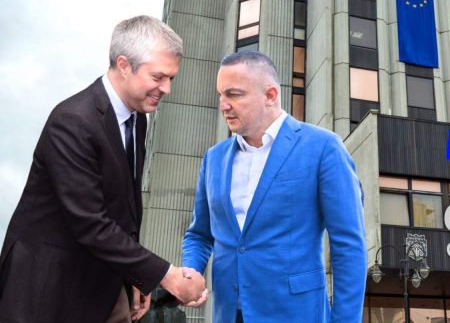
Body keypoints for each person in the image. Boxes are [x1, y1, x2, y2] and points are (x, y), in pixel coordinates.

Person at [0, 16, 207, 323]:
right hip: (48, 292)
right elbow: (91, 224)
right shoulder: (73, 122)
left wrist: (134, 276)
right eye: (158, 77)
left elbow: (123, 213)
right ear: (124, 65)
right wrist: (165, 276)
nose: (166, 88)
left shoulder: (137, 121)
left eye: (171, 78)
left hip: (102, 283)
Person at [182, 51, 367, 322]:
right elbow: (199, 234)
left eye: (233, 94)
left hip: (296, 314)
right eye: (220, 95)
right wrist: (191, 272)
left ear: (270, 95)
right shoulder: (213, 158)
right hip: (228, 314)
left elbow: (349, 245)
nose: (223, 105)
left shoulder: (323, 148)